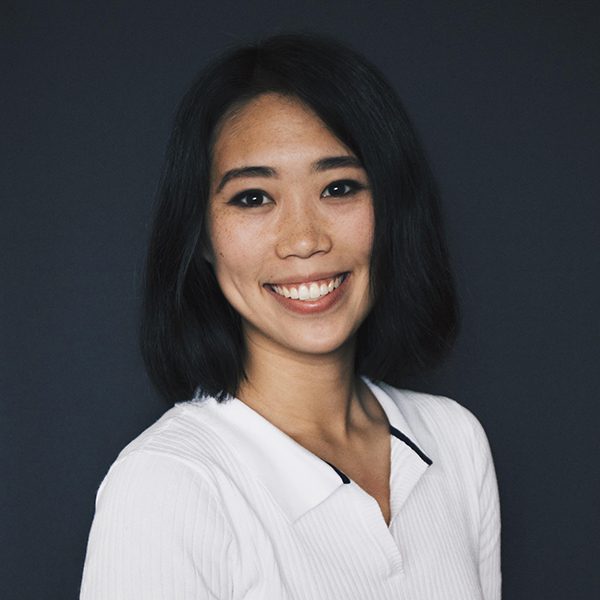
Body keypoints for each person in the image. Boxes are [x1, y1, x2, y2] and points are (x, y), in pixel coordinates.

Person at [80, 33, 501, 600]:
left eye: (339, 187)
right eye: (253, 197)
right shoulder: (168, 483)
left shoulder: (454, 439)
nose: (303, 240)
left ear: (392, 208)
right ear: (201, 235)